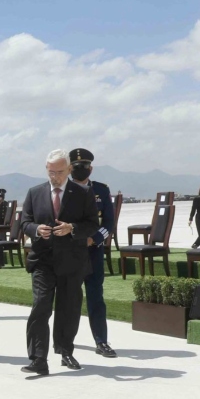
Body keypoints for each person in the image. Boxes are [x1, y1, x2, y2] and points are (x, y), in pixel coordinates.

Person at [20, 149, 100, 376]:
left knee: (69, 309)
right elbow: (25, 222)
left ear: (69, 170)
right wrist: (36, 229)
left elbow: (93, 224)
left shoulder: (83, 193)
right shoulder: (35, 193)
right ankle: (38, 359)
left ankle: (65, 351)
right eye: (50, 171)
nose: (54, 176)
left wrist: (72, 228)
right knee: (40, 307)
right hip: (43, 261)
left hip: (72, 262)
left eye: (59, 172)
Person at [69, 148, 117, 358]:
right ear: (70, 168)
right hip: (70, 253)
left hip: (93, 252)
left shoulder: (101, 190)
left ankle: (101, 341)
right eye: (77, 166)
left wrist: (95, 239)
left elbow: (109, 222)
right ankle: (65, 342)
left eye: (85, 166)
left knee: (96, 297)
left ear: (91, 168)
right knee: (70, 298)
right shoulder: (63, 191)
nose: (81, 169)